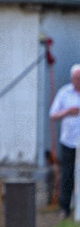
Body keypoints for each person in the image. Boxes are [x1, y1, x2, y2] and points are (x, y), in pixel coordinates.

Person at [49, 63, 80, 218]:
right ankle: (65, 208)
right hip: (68, 141)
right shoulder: (64, 93)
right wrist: (68, 112)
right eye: (76, 78)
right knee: (67, 174)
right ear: (72, 78)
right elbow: (53, 115)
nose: (78, 81)